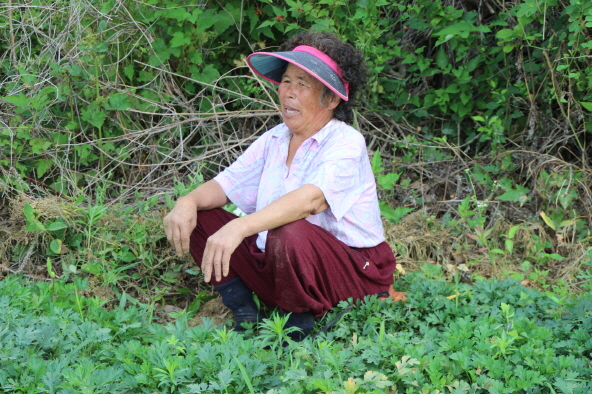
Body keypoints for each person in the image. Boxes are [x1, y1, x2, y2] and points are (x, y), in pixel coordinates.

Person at [163, 31, 405, 341]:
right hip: (282, 268)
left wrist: (240, 228)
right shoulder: (275, 138)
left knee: (287, 229)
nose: (288, 92)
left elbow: (310, 202)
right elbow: (225, 186)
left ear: (330, 99)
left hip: (350, 272)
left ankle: (297, 327)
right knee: (202, 216)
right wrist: (186, 202)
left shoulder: (346, 142)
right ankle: (245, 313)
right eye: (287, 81)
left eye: (302, 84)